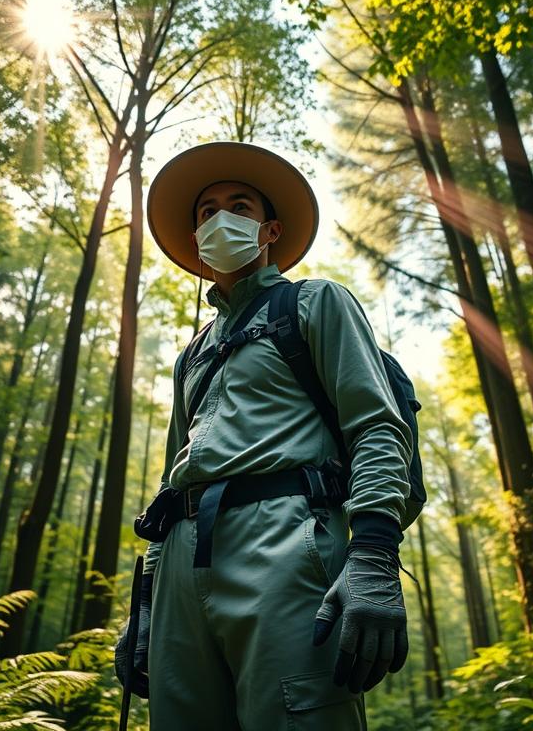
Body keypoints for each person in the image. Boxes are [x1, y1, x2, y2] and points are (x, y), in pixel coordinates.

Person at [115, 141, 413, 730]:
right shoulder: (191, 355)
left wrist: (374, 552)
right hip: (181, 557)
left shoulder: (315, 302)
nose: (220, 218)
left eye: (240, 207)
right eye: (207, 211)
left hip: (286, 540)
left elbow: (377, 425)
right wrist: (148, 601)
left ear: (270, 229)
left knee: (296, 716)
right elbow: (172, 482)